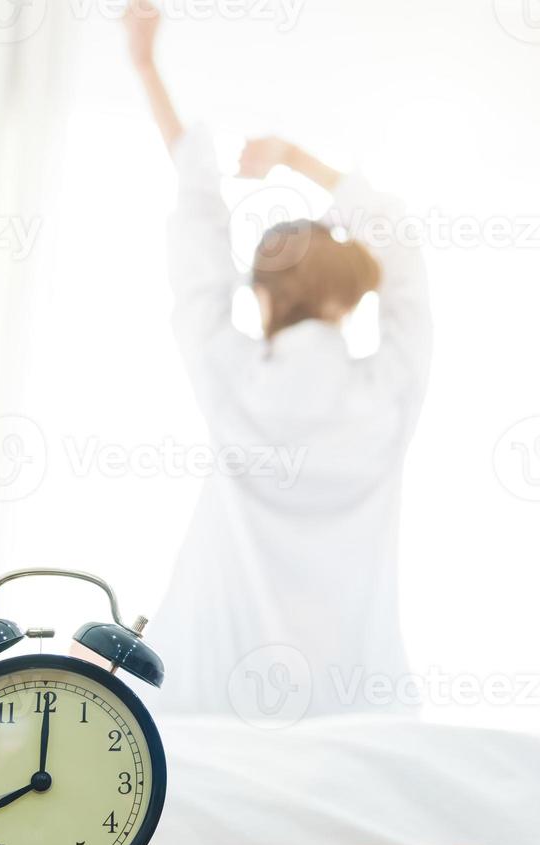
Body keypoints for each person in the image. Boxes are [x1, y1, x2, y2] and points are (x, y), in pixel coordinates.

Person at [123, 0, 433, 720]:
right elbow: (403, 247)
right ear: (354, 295)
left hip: (214, 711)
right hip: (362, 721)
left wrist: (145, 67)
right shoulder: (389, 394)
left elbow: (198, 219)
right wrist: (296, 159)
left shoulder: (228, 377)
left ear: (257, 295)